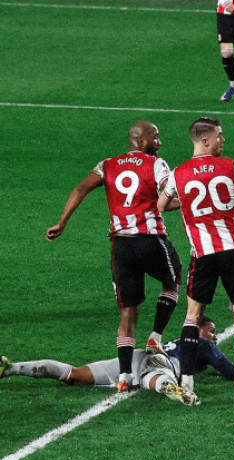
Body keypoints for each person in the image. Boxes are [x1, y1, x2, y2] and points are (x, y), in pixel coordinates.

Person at [46, 122, 182, 394]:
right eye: (156, 137)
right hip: (149, 240)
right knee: (174, 279)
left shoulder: (107, 165)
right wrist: (190, 202)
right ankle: (156, 336)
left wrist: (62, 223)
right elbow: (169, 195)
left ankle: (123, 376)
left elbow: (81, 188)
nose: (160, 142)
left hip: (121, 245)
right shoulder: (156, 164)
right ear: (141, 141)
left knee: (127, 312)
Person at [158, 117, 234, 402]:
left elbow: (162, 205)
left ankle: (188, 381)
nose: (223, 140)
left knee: (193, 315)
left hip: (202, 253)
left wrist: (187, 203)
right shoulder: (228, 166)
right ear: (205, 141)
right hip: (233, 250)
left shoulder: (178, 173)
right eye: (219, 135)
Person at [0, 317, 234, 407]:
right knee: (154, 378)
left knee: (74, 375)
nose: (216, 337)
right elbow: (230, 372)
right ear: (198, 330)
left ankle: (10, 368)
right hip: (163, 364)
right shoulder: (205, 345)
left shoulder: (176, 340)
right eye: (212, 330)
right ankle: (169, 388)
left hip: (135, 356)